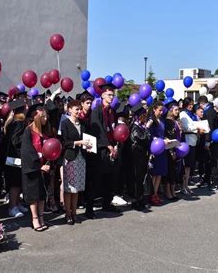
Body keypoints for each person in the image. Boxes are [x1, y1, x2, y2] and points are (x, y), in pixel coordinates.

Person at [88, 83, 121, 219]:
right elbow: (98, 131)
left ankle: (107, 203)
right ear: (102, 95)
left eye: (113, 95)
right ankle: (89, 208)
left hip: (111, 148)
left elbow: (116, 129)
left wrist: (116, 145)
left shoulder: (112, 111)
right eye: (109, 94)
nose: (111, 97)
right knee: (96, 179)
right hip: (100, 150)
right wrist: (108, 145)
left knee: (109, 178)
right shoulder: (97, 110)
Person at [21, 104, 54, 231]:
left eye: (46, 116)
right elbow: (27, 152)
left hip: (45, 167)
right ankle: (35, 218)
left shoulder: (45, 131)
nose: (46, 119)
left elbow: (50, 148)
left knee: (41, 195)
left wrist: (48, 163)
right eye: (43, 116)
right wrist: (39, 166)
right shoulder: (28, 131)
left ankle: (41, 217)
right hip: (33, 169)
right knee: (33, 196)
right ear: (36, 117)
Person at [61, 99, 91, 225]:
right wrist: (79, 143)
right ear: (69, 110)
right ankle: (68, 213)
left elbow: (86, 140)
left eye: (79, 109)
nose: (79, 111)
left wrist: (88, 147)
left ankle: (74, 213)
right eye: (76, 109)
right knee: (69, 188)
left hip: (80, 158)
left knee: (77, 188)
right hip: (70, 158)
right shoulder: (65, 123)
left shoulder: (83, 124)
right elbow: (64, 142)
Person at [3, 99, 28, 218]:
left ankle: (17, 204)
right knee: (15, 183)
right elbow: (15, 140)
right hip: (14, 157)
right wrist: (27, 137)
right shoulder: (18, 122)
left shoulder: (14, 121)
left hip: (14, 157)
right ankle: (12, 206)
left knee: (18, 182)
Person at [129, 102, 152, 210]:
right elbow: (142, 138)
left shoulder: (140, 126)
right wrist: (147, 128)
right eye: (144, 116)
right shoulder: (134, 126)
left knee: (142, 177)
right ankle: (136, 200)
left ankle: (141, 198)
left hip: (143, 155)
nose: (146, 118)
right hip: (136, 156)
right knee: (137, 178)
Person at [147, 101, 169, 205]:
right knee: (154, 173)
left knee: (159, 173)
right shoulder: (151, 120)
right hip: (155, 148)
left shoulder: (162, 120)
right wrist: (159, 140)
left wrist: (165, 139)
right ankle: (150, 194)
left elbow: (162, 133)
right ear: (154, 109)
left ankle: (155, 193)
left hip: (162, 148)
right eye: (159, 110)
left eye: (162, 110)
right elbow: (149, 134)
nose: (161, 112)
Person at [198, 95, 218, 188]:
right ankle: (207, 179)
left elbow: (209, 127)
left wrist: (207, 141)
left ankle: (214, 181)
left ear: (202, 104)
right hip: (211, 139)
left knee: (212, 161)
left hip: (210, 140)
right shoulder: (211, 110)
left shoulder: (209, 112)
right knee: (207, 161)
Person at [179, 97, 199, 193]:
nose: (191, 106)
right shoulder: (183, 114)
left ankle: (186, 185)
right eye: (189, 104)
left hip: (193, 140)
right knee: (186, 165)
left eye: (192, 104)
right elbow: (186, 128)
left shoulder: (192, 115)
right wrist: (197, 128)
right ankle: (183, 186)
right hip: (187, 141)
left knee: (189, 166)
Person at [163, 100, 182, 201]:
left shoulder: (175, 122)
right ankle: (168, 192)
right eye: (176, 110)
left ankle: (173, 191)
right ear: (170, 110)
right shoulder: (167, 122)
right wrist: (171, 151)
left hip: (177, 148)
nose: (178, 111)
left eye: (178, 110)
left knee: (174, 171)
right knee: (169, 171)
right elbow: (168, 136)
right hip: (169, 149)